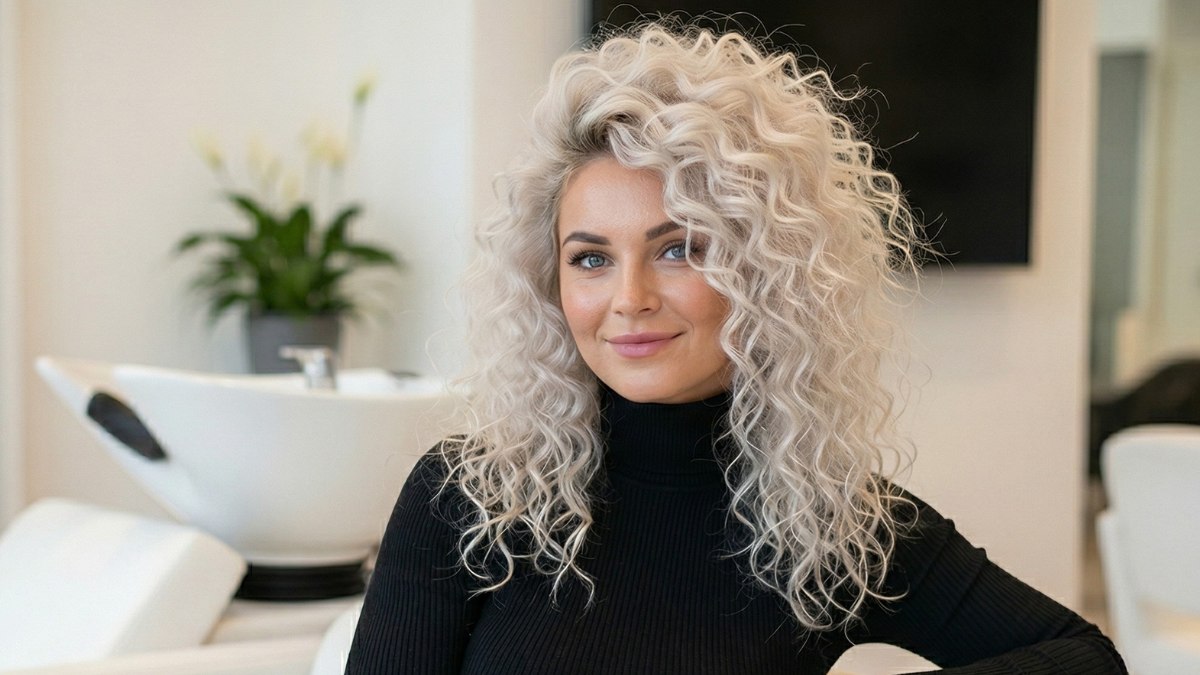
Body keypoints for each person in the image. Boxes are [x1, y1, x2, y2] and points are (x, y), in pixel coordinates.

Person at [347, 24, 1125, 674]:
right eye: (590, 258)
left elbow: (1084, 657)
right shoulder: (468, 500)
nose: (629, 298)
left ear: (765, 271)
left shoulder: (829, 523)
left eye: (679, 248)